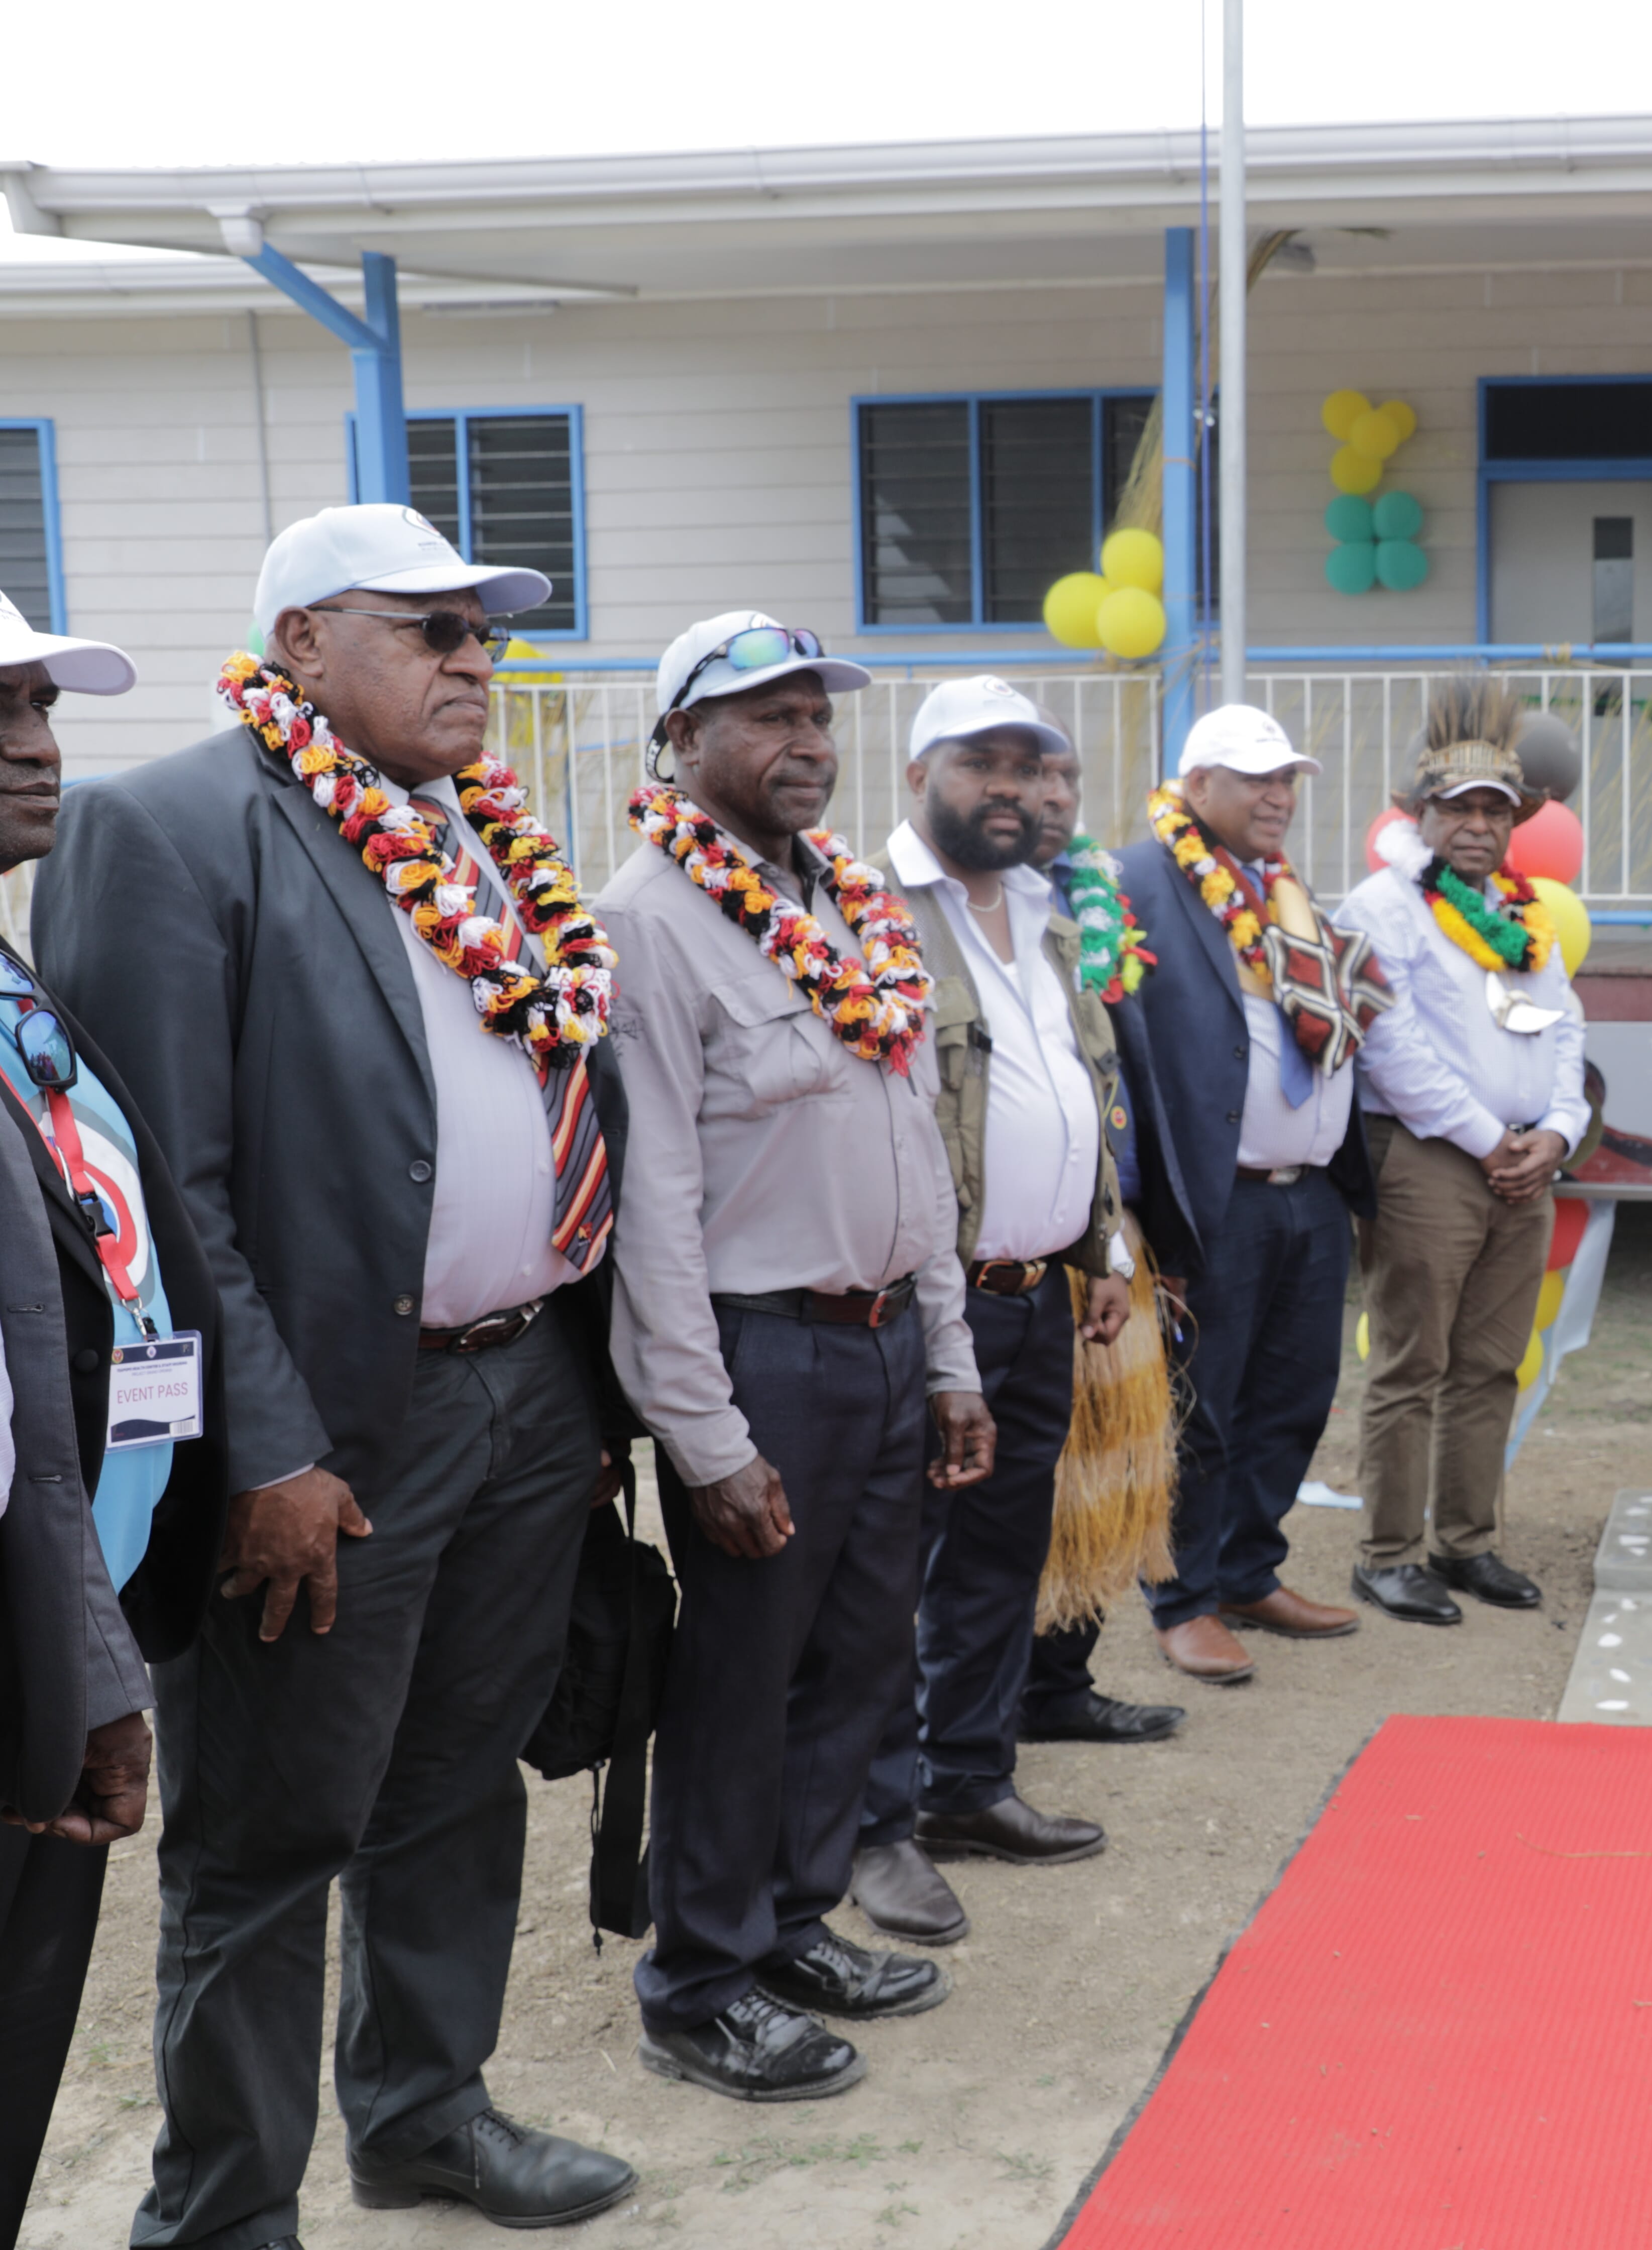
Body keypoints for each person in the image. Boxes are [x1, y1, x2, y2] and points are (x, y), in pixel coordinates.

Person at [37, 506, 641, 2238]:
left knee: (456, 1787)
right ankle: (227, 2209)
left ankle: (423, 2113)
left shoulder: (480, 838)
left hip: (523, 1394)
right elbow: (157, 1192)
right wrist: (264, 1457)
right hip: (319, 1432)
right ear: (300, 645)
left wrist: (578, 1399)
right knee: (268, 1832)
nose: (474, 661)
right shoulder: (171, 830)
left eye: (485, 633)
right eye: (429, 628)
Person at [602, 611, 994, 2101]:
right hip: (767, 1355)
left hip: (889, 1341)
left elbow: (913, 1155)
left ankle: (787, 1920)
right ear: (682, 742)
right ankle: (697, 1979)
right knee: (742, 1676)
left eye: (816, 716)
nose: (806, 742)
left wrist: (950, 1358)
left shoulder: (850, 901)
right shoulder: (645, 916)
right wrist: (705, 1435)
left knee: (851, 1664)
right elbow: (656, 1204)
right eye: (763, 716)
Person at [848, 678, 1144, 1949]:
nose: (1017, 788)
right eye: (986, 763)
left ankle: (969, 1782)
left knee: (998, 1562)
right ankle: (875, 1826)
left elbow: (1085, 1078)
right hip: (932, 1302)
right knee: (893, 1575)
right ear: (922, 775)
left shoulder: (1052, 912)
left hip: (1041, 1294)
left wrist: (1109, 1238)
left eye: (1037, 766)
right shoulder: (861, 909)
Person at [0, 598, 228, 2241]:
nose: (36, 748)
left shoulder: (13, 985)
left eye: (36, 709)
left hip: (73, 1596)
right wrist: (69, 1661)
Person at [1120, 705, 1388, 1684]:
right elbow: (1129, 1055)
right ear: (1197, 788)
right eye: (1256, 779)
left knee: (1293, 1396)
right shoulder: (1139, 879)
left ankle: (1248, 1567)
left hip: (1308, 1193)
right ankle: (1182, 1597)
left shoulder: (1279, 886)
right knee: (1203, 1408)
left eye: (1289, 780)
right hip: (1215, 1200)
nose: (1279, 796)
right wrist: (1146, 1215)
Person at [1333, 680, 1589, 1625]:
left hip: (1526, 1164)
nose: (1480, 824)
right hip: (1431, 1160)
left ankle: (1467, 1542)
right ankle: (1389, 1554)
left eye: (1497, 809)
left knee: (1491, 1363)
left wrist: (1556, 1135)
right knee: (1411, 1362)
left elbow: (1564, 1030)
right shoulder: (1381, 906)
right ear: (1420, 814)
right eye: (1460, 807)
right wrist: (1493, 1142)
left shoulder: (1520, 912)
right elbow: (1392, 1051)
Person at [1012, 762, 1197, 1748]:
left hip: (1114, 1229)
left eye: (1062, 778)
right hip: (1018, 1245)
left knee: (1110, 1473)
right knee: (1021, 1490)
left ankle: (1059, 1686)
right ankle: (977, 1706)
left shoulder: (1100, 904)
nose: (1048, 797)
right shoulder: (953, 913)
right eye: (1019, 777)